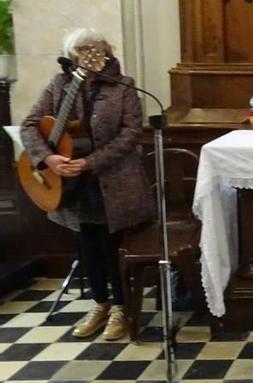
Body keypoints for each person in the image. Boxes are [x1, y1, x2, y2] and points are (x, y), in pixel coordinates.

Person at [21, 28, 154, 340]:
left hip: (113, 181)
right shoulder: (59, 85)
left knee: (111, 246)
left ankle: (122, 308)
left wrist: (91, 162)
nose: (88, 53)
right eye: (81, 49)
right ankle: (100, 303)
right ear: (72, 55)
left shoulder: (123, 87)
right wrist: (48, 159)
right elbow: (30, 124)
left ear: (105, 51)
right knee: (86, 246)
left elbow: (131, 132)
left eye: (94, 48)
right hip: (68, 182)